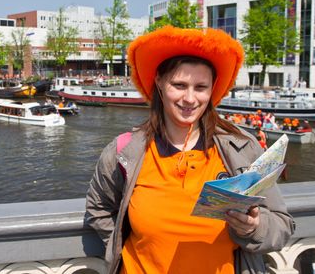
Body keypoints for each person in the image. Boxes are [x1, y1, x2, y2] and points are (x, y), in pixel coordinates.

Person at [85, 27, 294, 274]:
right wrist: (121, 250)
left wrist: (253, 227)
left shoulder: (242, 147)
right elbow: (98, 208)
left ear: (212, 89)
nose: (190, 99)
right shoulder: (124, 151)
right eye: (179, 85)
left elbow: (283, 226)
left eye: (200, 87)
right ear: (159, 83)